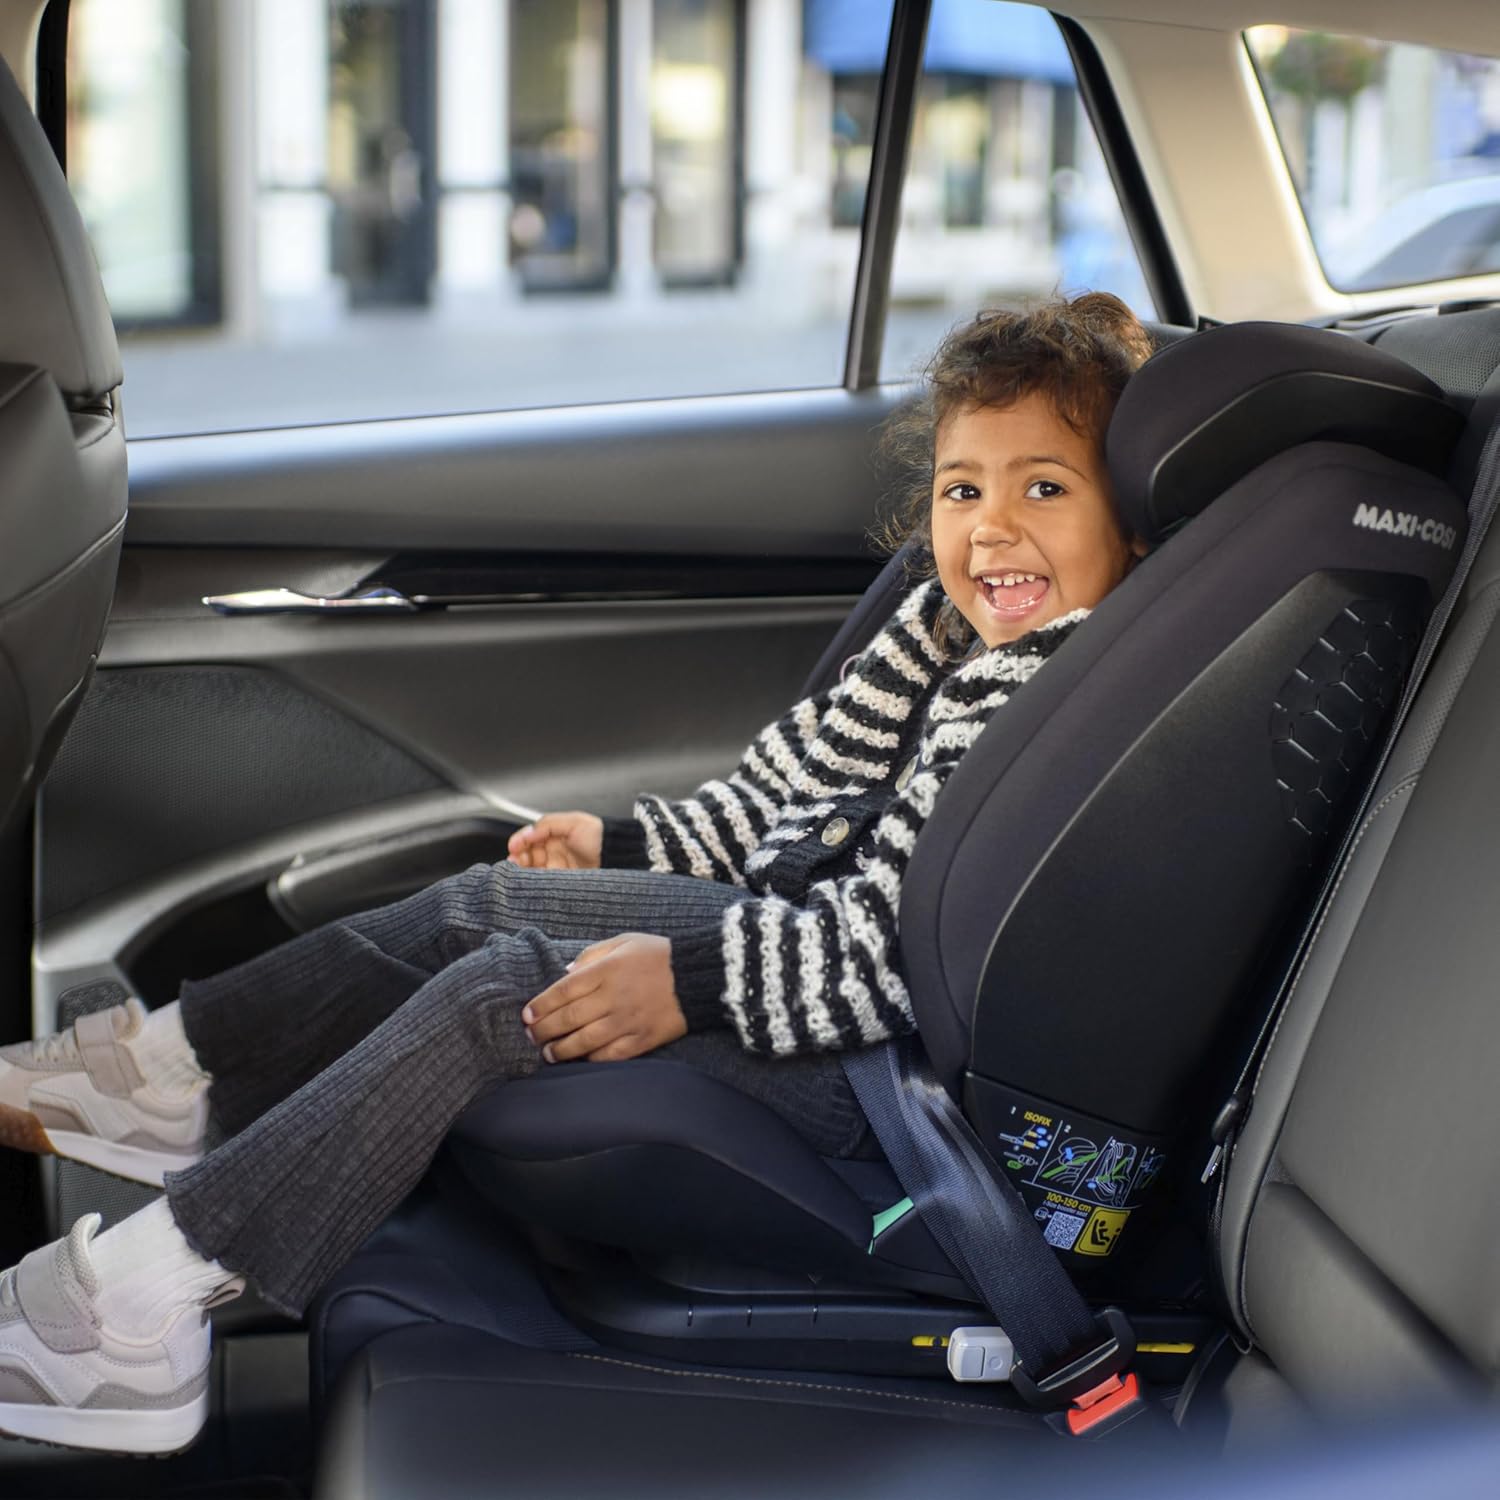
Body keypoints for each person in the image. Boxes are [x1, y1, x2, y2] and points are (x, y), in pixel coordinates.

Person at [0, 292, 1152, 1455]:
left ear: (1136, 522)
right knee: (480, 905)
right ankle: (177, 1074)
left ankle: (140, 1312)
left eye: (1044, 490)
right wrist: (627, 845)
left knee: (501, 996)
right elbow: (782, 805)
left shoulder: (1048, 696)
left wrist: (688, 982)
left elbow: (895, 954)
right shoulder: (940, 632)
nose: (992, 529)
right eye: (963, 490)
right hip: (813, 973)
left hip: (890, 1078)